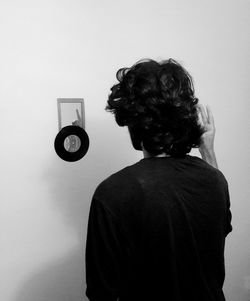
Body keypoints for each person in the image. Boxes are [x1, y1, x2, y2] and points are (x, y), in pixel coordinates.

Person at [85, 58, 232, 301]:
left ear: (133, 123)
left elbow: (102, 292)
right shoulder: (214, 180)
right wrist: (207, 149)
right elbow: (221, 225)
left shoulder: (112, 193)